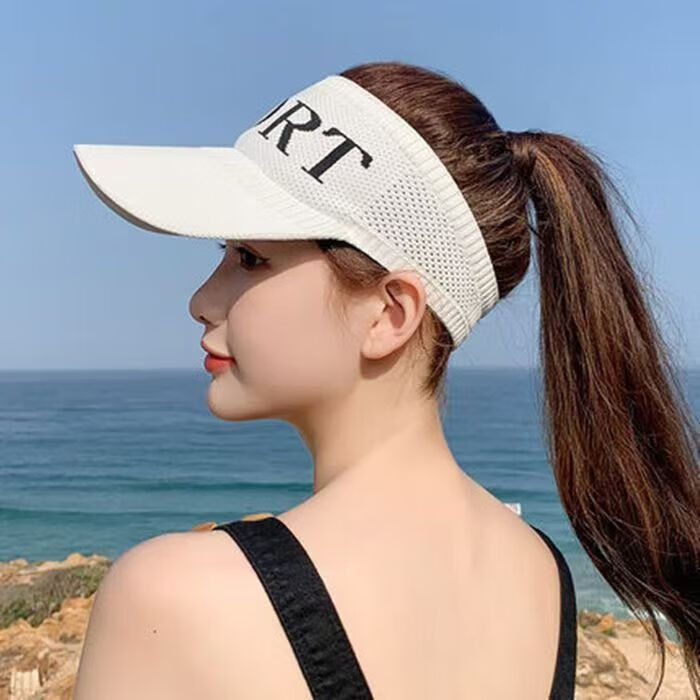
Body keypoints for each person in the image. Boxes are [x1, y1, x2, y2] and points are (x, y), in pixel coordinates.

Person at [70, 61, 699, 699]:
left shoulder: (173, 597)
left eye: (251, 258)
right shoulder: (540, 571)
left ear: (389, 313)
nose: (201, 301)